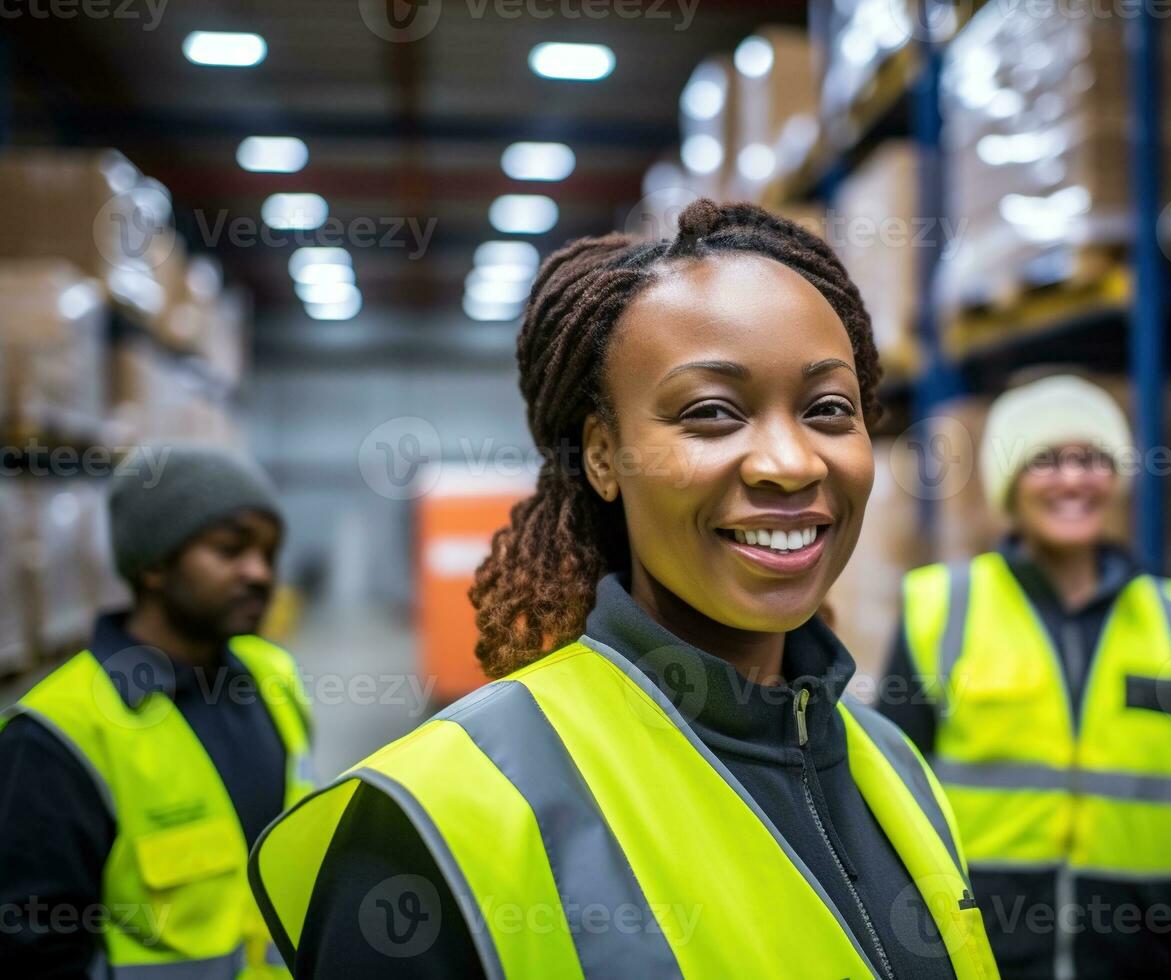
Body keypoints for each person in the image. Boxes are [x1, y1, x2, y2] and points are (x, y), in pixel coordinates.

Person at [248, 200, 1000, 979]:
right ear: (603, 458)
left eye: (827, 410)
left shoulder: (896, 768)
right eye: (712, 413)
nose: (791, 461)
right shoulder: (430, 819)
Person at [880, 374, 1171, 980]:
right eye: (1045, 460)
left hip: (1134, 959)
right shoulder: (941, 607)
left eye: (1090, 458)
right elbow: (888, 794)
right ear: (1009, 486)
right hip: (978, 952)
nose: (1072, 479)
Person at [0, 446, 312, 978]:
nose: (260, 573)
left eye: (269, 553)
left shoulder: (273, 676)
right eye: (231, 549)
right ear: (154, 564)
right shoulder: (57, 733)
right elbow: (35, 953)